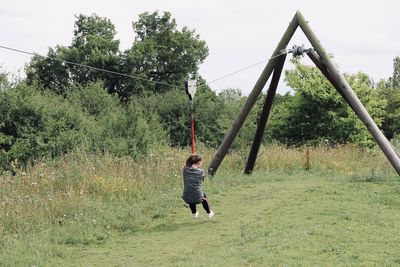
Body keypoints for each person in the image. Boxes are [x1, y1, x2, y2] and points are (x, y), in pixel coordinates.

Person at [182, 154, 214, 218]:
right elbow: (202, 180)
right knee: (204, 198)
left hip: (187, 193)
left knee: (191, 201)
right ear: (198, 162)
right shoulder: (201, 172)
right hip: (197, 193)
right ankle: (209, 212)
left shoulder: (185, 170)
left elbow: (186, 166)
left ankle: (194, 213)